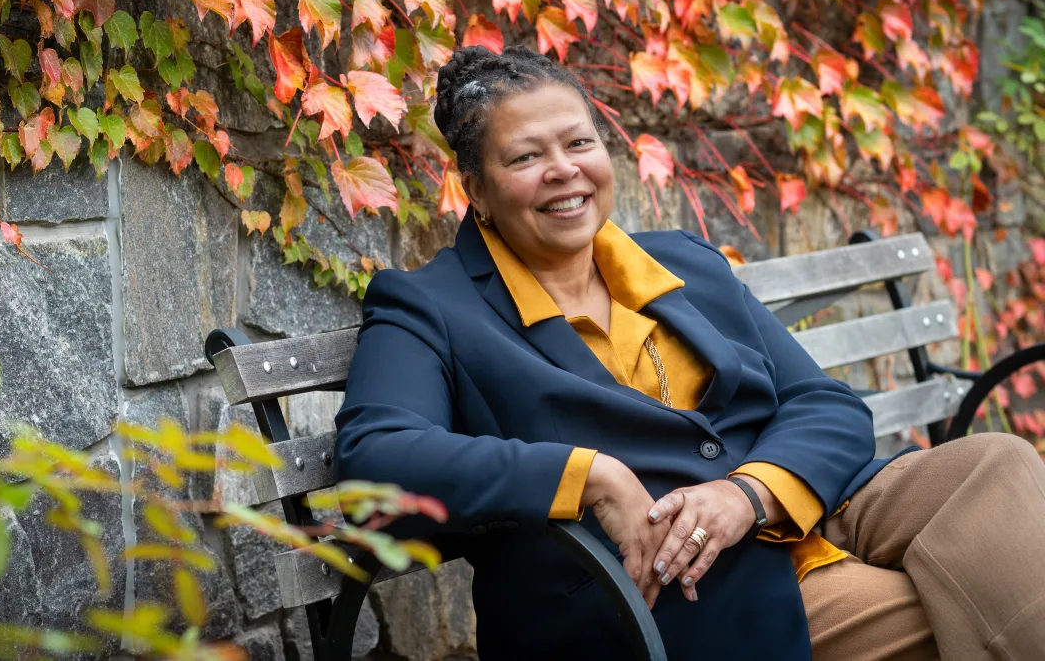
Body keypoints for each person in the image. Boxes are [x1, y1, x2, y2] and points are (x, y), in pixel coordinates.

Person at [334, 46, 1045, 660]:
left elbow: (823, 402)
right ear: (478, 192)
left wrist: (749, 491)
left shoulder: (684, 262)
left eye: (578, 144)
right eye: (525, 157)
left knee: (998, 462)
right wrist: (590, 476)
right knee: (971, 607)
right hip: (669, 584)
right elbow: (378, 452)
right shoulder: (429, 305)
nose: (563, 170)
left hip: (796, 504)